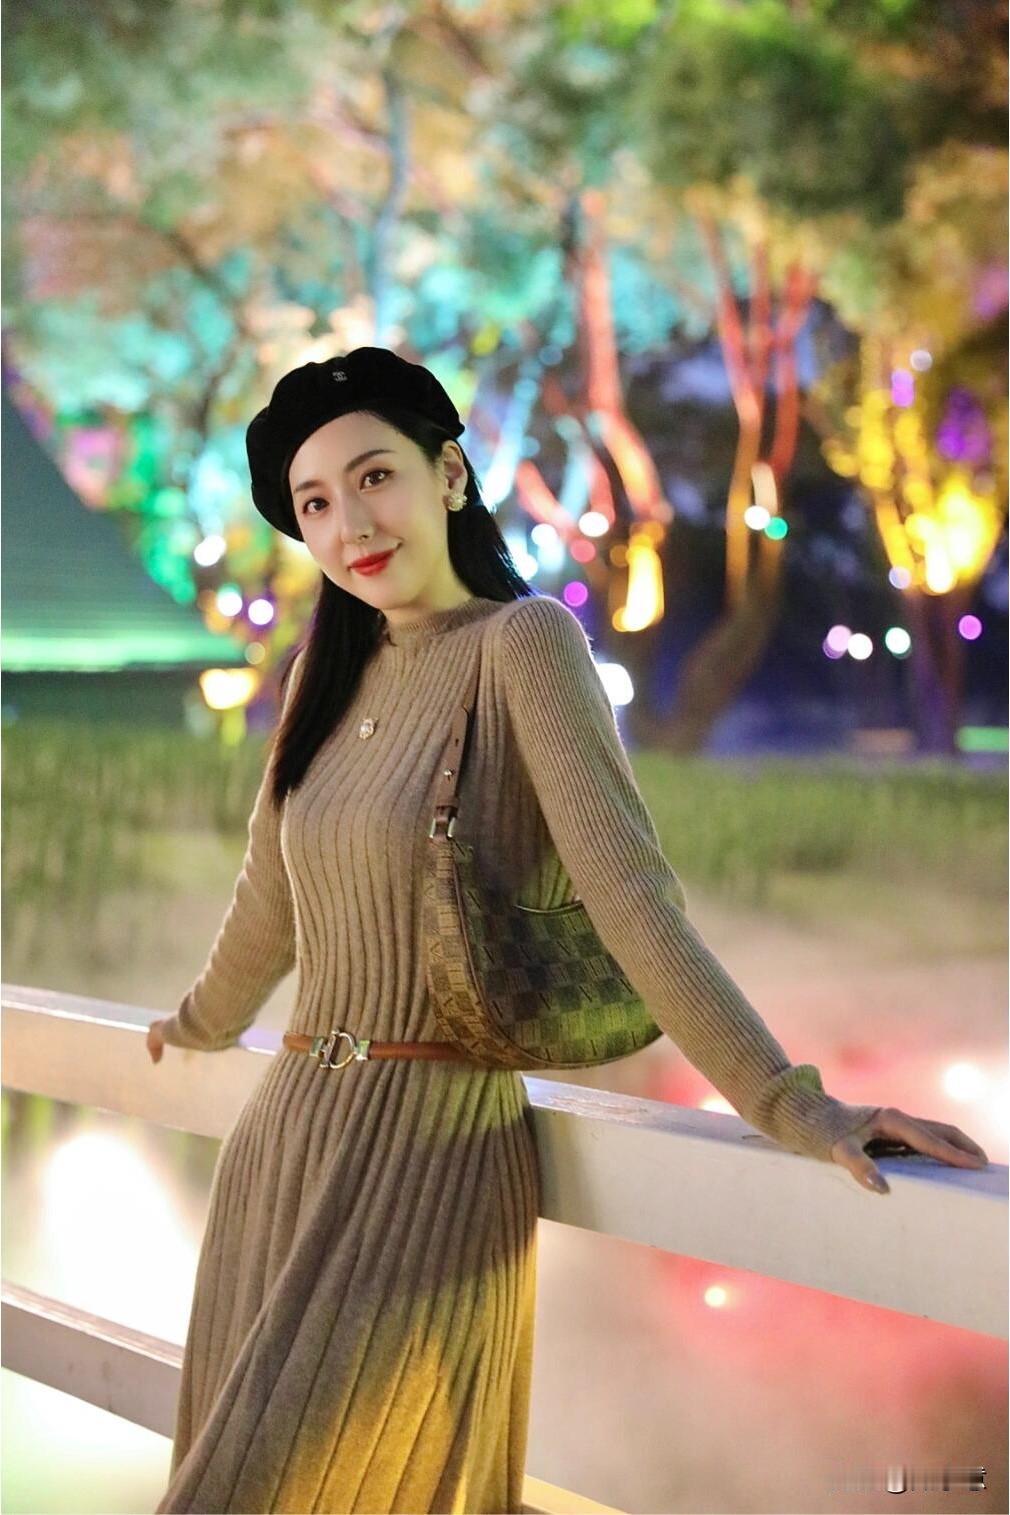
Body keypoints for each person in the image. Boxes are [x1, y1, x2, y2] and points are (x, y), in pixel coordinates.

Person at [148, 346, 989, 1514]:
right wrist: (196, 1021)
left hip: (425, 1157)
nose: (352, 525)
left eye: (375, 476)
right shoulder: (320, 677)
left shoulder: (524, 645)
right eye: (316, 503)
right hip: (281, 1144)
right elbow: (271, 901)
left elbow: (630, 900)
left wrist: (792, 1104)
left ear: (449, 475)